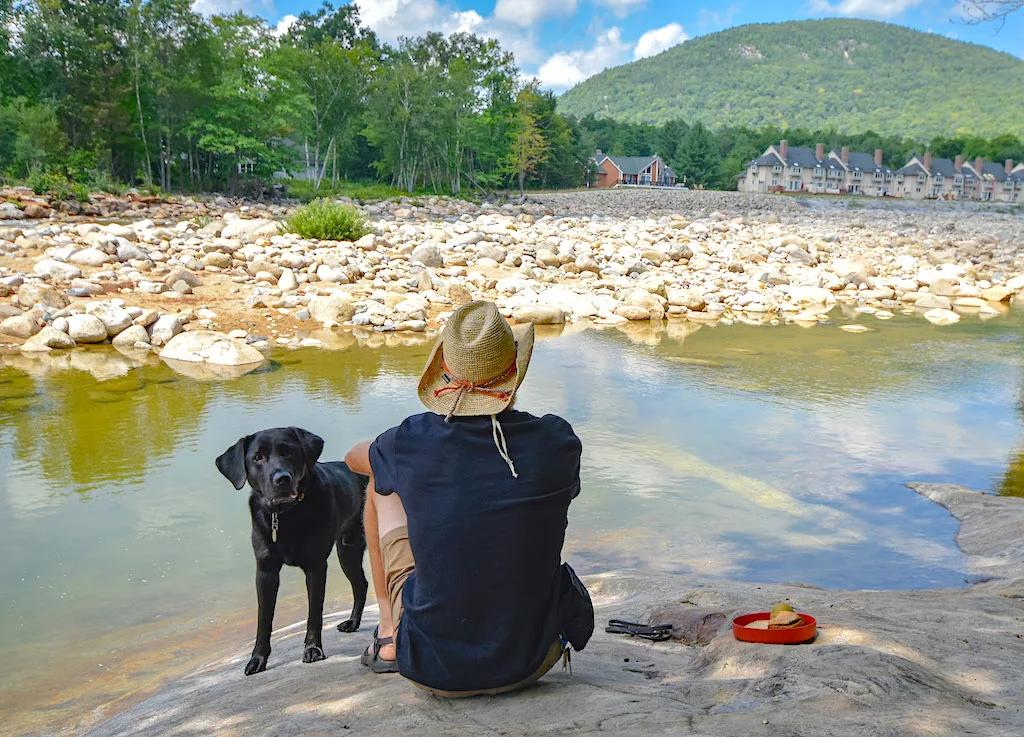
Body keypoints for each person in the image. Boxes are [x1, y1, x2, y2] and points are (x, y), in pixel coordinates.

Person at [344, 300, 583, 697]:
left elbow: (354, 459)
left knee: (380, 484)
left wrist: (397, 457)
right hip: (531, 662)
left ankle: (388, 632)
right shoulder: (558, 440)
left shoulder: (412, 441)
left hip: (433, 670)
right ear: (514, 373)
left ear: (447, 372)